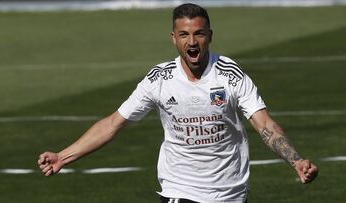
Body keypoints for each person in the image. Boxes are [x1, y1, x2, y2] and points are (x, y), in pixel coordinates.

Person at [38, 3, 318, 203]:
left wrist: (295, 160)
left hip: (231, 192)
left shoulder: (231, 75)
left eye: (198, 33)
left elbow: (264, 124)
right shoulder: (159, 79)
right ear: (174, 39)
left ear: (210, 35)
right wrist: (63, 156)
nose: (192, 41)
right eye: (184, 35)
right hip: (180, 189)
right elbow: (113, 123)